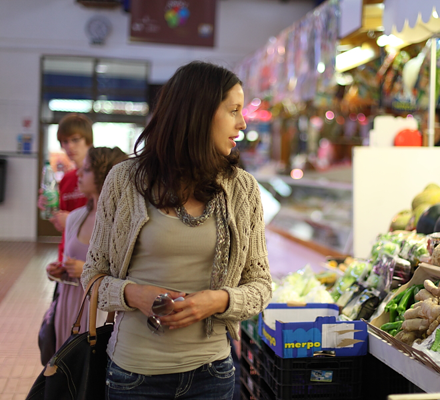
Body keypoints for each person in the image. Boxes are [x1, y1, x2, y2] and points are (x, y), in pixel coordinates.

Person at [81, 61, 272, 400]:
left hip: (212, 374)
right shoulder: (124, 180)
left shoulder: (242, 189)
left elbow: (260, 286)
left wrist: (217, 301)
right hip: (132, 376)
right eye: (233, 110)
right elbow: (93, 276)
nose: (243, 123)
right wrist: (134, 295)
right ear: (198, 113)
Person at [46, 147, 128, 350]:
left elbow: (128, 273)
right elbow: (68, 257)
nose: (79, 174)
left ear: (106, 175)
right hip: (69, 303)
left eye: (87, 170)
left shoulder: (123, 223)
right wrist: (60, 270)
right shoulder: (75, 217)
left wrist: (84, 268)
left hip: (100, 311)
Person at [38, 113, 94, 261]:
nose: (69, 146)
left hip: (91, 259)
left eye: (75, 140)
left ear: (88, 141)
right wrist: (49, 209)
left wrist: (71, 220)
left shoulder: (103, 176)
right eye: (64, 141)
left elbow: (111, 222)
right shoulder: (67, 179)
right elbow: (61, 225)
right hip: (67, 255)